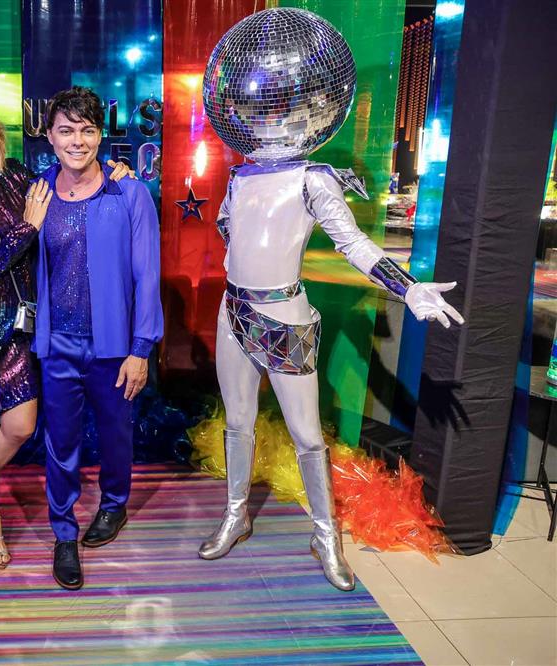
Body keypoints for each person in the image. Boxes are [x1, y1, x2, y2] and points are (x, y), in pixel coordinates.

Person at [199, 9, 463, 591]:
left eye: (280, 107)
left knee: (307, 435)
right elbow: (230, 234)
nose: (269, 119)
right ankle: (236, 514)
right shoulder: (240, 178)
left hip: (285, 316)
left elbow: (354, 244)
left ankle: (325, 535)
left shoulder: (313, 178)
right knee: (237, 423)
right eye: (260, 107)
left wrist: (407, 287)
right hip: (233, 312)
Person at [0, 96, 133, 569]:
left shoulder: (18, 179)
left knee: (20, 426)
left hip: (19, 324)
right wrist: (27, 228)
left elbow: (72, 179)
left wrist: (113, 172)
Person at [34, 86, 163, 590]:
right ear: (49, 136)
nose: (77, 140)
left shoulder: (128, 193)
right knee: (60, 443)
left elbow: (147, 276)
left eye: (87, 130)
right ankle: (63, 533)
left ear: (100, 136)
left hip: (113, 344)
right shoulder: (38, 193)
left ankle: (114, 505)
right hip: (58, 344)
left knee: (115, 434)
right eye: (66, 130)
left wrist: (141, 348)